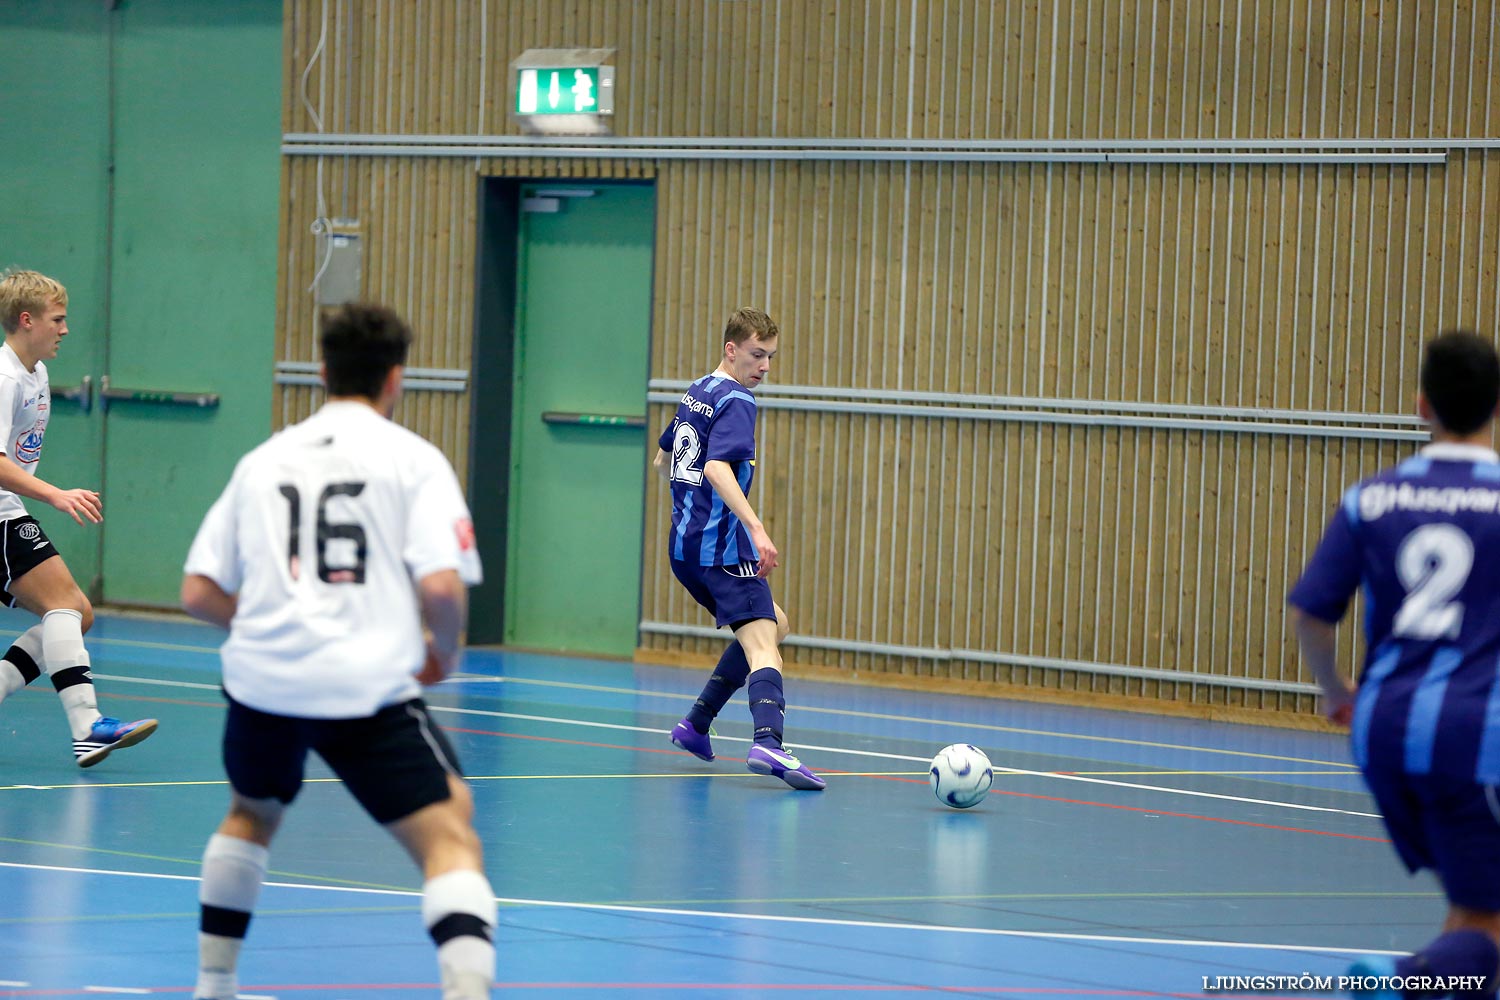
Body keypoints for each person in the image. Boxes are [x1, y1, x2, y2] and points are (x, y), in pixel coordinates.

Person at [180, 303, 495, 1000]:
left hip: (264, 682)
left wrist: (264, 624)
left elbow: (199, 591)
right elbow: (441, 587)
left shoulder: (262, 462)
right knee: (451, 835)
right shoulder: (413, 460)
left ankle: (213, 985)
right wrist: (441, 653)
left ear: (322, 372)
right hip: (363, 683)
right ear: (396, 379)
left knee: (251, 813)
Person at [1289, 329, 1500, 997]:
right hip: (1474, 736)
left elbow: (1311, 616)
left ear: (1421, 407)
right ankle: (1403, 982)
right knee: (1489, 926)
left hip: (1381, 730)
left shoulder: (1370, 499)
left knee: (1475, 910)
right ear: (1496, 406)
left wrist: (1335, 693)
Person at [652, 307, 824, 791]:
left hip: (684, 549)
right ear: (731, 349)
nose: (765, 366)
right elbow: (716, 469)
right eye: (756, 355)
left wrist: (678, 487)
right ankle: (769, 741)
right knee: (763, 643)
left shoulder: (698, 390)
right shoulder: (738, 400)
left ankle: (696, 723)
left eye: (770, 356)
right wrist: (757, 528)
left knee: (776, 622)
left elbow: (666, 450)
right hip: (721, 552)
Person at [0, 268, 158, 767]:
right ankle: (88, 725)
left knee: (76, 613)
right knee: (66, 605)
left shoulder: (36, 373)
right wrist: (54, 495)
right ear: (27, 320)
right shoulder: (4, 378)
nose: (65, 330)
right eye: (58, 319)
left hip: (7, 509)